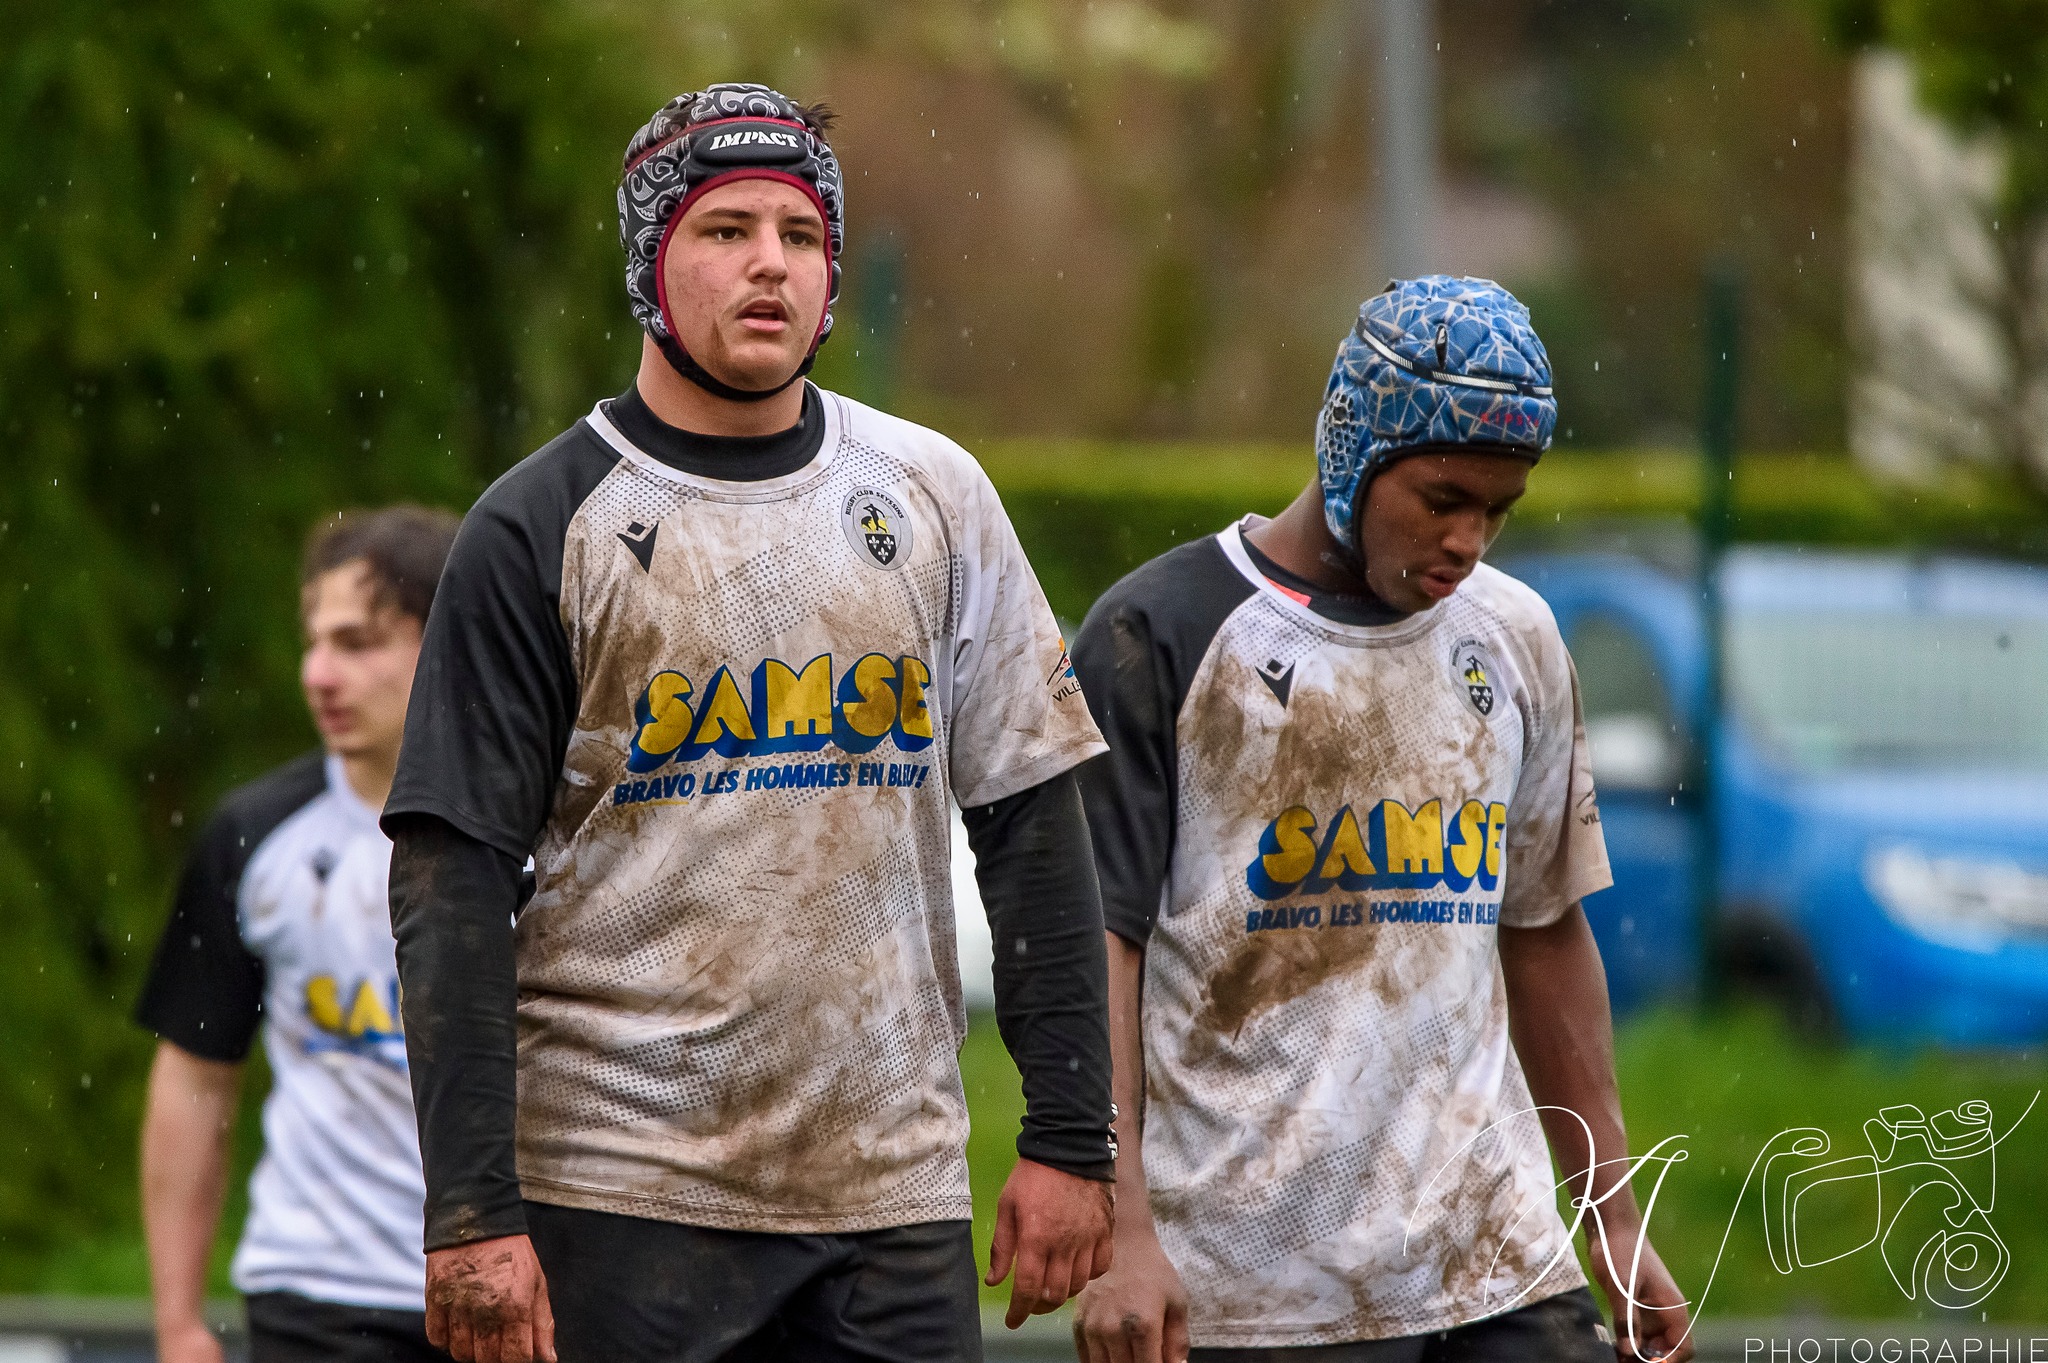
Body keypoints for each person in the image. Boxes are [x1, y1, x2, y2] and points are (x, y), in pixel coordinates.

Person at [381, 83, 1117, 1363]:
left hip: (888, 1199)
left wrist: (1067, 1135)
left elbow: (1034, 827)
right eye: (725, 230)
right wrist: (470, 1214)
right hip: (617, 1192)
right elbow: (450, 883)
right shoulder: (539, 525)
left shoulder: (934, 492)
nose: (770, 263)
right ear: (648, 264)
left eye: (801, 233)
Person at [1067, 276, 1694, 1363]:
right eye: (1442, 498)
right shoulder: (1159, 633)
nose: (1467, 539)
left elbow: (1544, 929)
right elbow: (1096, 956)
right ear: (1352, 448)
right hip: (1256, 1291)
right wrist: (1121, 1232)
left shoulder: (1516, 638)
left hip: (1496, 1267)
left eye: (1497, 510)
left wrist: (1612, 1216)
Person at [136, 506, 462, 1363]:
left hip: (511, 1285)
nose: (318, 673)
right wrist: (177, 1320)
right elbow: (194, 1078)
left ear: (447, 643)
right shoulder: (252, 837)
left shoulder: (549, 832)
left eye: (356, 643)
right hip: (317, 1295)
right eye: (313, 642)